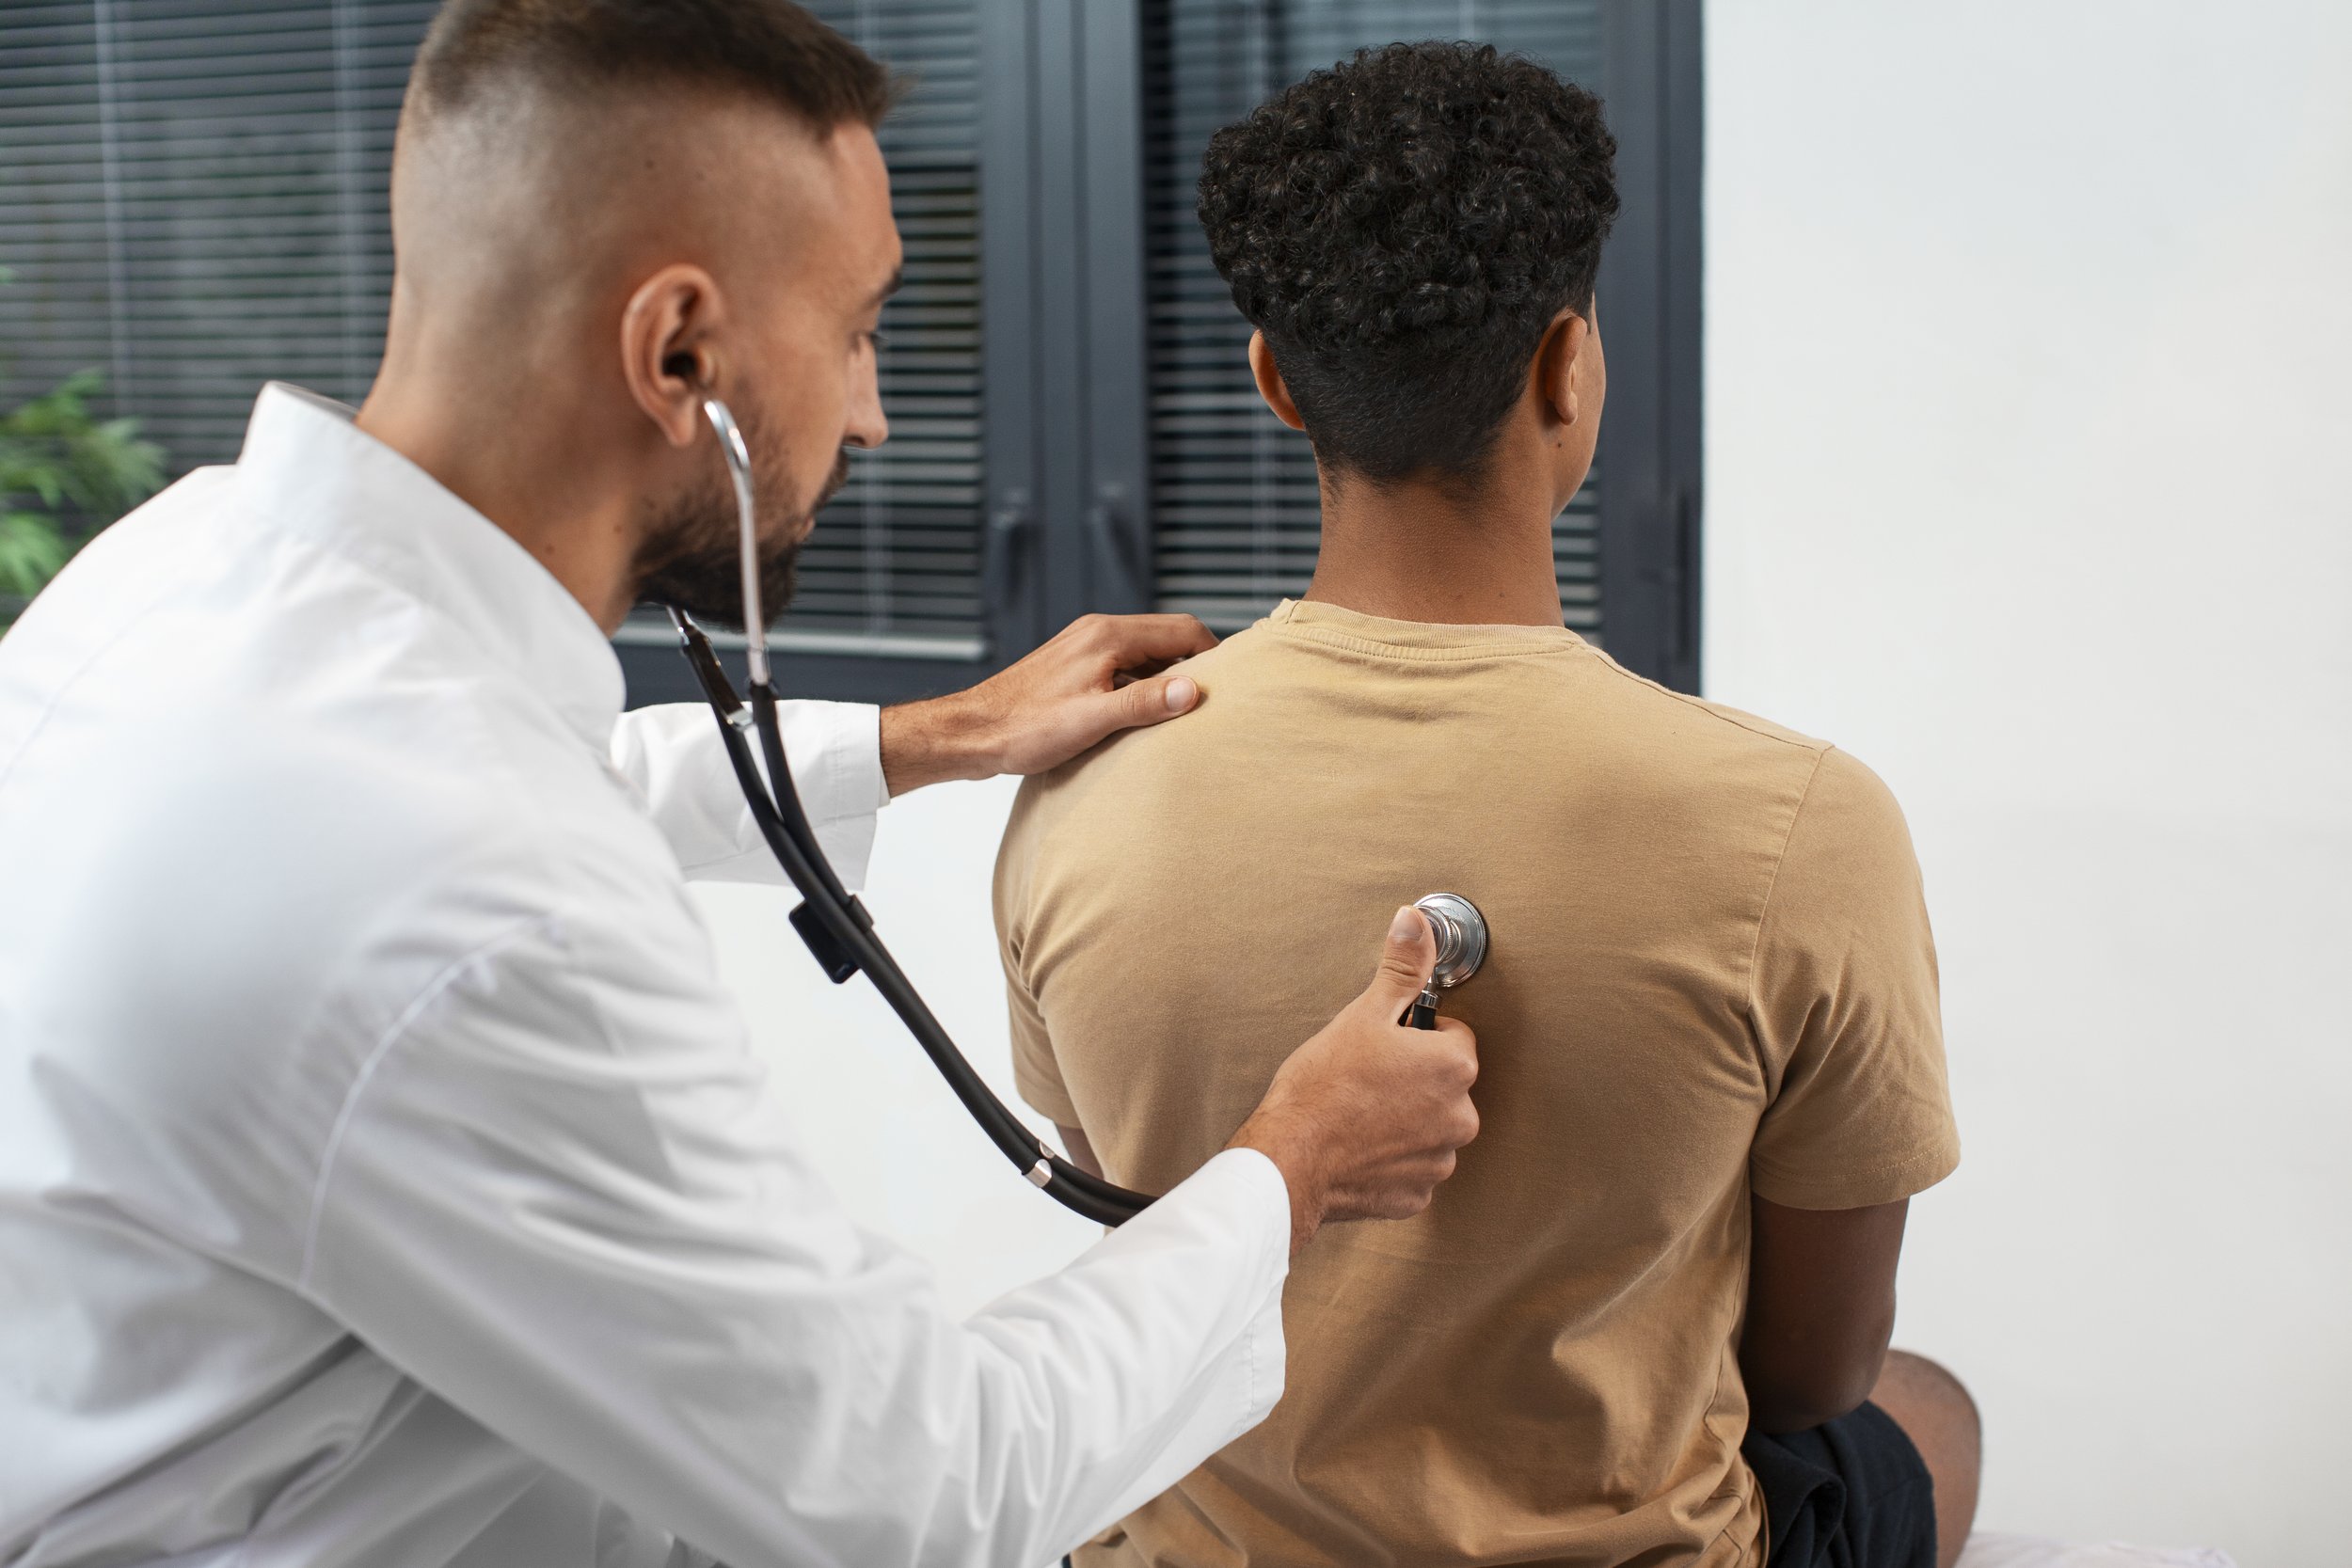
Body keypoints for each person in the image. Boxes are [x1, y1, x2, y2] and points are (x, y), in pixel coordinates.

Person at [0, 6, 1486, 1566]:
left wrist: (941, 735)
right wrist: (1298, 1162)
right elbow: (927, 1498)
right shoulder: (476, 906)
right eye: (855, 330)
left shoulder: (187, 575)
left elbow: (490, 795)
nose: (872, 411)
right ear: (678, 355)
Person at [993, 41, 1979, 1568]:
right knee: (1928, 1409)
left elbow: (1148, 1240)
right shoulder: (1805, 824)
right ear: (1566, 367)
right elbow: (1809, 1375)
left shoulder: (1080, 785)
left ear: (1270, 380)